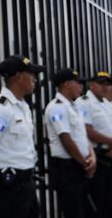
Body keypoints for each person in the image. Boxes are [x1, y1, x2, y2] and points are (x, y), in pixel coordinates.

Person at [0, 55, 44, 218]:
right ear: (18, 76)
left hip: (26, 183)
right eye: (31, 74)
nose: (35, 79)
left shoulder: (22, 106)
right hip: (8, 188)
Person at [44, 68, 96, 218]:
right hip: (67, 168)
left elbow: (82, 136)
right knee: (73, 210)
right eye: (78, 83)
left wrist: (91, 156)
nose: (81, 87)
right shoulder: (57, 107)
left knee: (84, 209)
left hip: (79, 164)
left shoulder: (73, 106)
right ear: (66, 84)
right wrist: (85, 163)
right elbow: (66, 139)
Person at [76, 71, 112, 218]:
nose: (105, 87)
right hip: (98, 156)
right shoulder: (84, 102)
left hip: (108, 155)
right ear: (91, 85)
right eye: (101, 83)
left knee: (108, 201)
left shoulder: (105, 103)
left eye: (107, 84)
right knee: (98, 201)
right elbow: (88, 131)